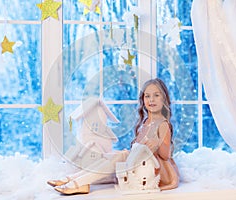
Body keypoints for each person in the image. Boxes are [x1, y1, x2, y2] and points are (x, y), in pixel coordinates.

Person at [47, 78, 179, 195]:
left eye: (156, 95)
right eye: (147, 96)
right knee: (111, 157)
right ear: (142, 99)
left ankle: (77, 182)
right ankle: (75, 179)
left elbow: (165, 155)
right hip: (138, 164)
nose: (151, 100)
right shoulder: (145, 123)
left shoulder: (162, 124)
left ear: (164, 99)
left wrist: (156, 142)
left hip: (153, 171)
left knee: (118, 158)